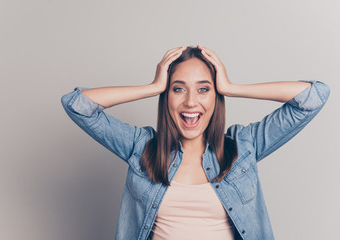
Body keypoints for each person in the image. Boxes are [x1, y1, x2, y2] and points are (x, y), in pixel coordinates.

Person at [61, 45, 330, 240]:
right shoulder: (141, 148)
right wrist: (153, 87)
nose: (191, 102)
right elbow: (77, 105)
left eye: (204, 89)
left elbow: (314, 97)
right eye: (178, 89)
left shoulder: (242, 147)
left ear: (216, 97)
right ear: (167, 97)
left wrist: (232, 87)